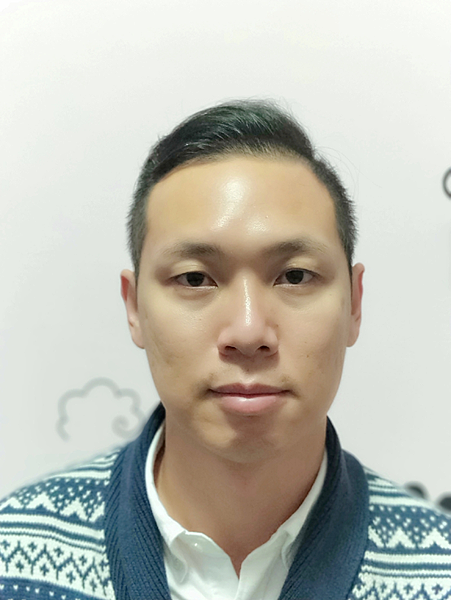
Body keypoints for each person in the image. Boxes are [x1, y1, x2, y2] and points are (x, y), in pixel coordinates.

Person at [0, 100, 450, 600]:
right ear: (134, 308)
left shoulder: (440, 570)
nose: (248, 331)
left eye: (295, 276)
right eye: (195, 279)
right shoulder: (14, 554)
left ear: (355, 304)